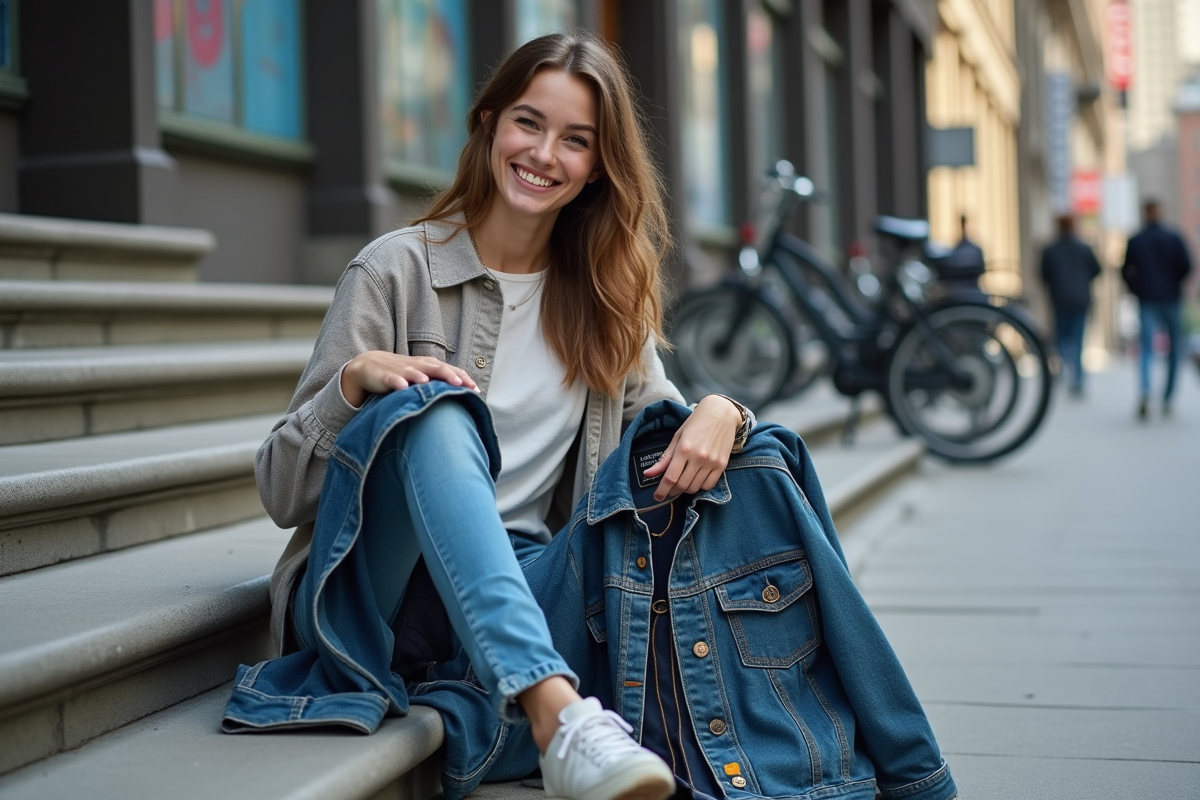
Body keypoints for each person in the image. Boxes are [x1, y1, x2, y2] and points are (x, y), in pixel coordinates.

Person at [221, 31, 955, 800]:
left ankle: (883, 761)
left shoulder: (603, 298)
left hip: (537, 585)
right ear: (488, 124)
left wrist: (724, 410)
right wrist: (352, 382)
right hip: (379, 596)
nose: (543, 154)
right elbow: (282, 492)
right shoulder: (395, 270)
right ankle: (558, 716)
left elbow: (662, 430)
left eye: (576, 141)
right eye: (528, 124)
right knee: (434, 412)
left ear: (599, 166)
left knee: (762, 457)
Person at [1121, 200, 1193, 418]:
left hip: (1147, 299)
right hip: (1171, 298)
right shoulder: (1173, 238)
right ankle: (1167, 398)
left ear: (1145, 214)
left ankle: (1145, 390)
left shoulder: (1137, 240)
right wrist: (1175, 284)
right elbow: (1187, 266)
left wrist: (1137, 289)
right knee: (1174, 351)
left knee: (1146, 349)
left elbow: (1125, 270)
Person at [1039, 214, 1101, 395]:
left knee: (1062, 340)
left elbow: (1043, 275)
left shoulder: (1051, 250)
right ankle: (1078, 379)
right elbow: (1097, 270)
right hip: (1080, 300)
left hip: (1060, 299)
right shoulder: (1084, 248)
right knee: (1078, 340)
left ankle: (1066, 371)